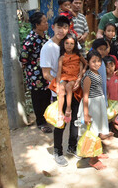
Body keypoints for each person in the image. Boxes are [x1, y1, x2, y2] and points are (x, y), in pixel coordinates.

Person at [40, 16, 76, 167]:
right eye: (59, 27)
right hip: (59, 91)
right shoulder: (48, 48)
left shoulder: (70, 44)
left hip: (74, 90)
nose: (62, 30)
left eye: (65, 27)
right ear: (53, 27)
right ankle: (58, 151)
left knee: (74, 120)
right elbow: (46, 74)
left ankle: (72, 147)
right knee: (60, 122)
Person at [77, 50, 111, 169]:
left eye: (98, 61)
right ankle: (93, 159)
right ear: (88, 62)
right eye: (93, 61)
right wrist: (86, 114)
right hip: (92, 105)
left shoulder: (97, 73)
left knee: (98, 129)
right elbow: (85, 96)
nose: (96, 63)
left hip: (99, 103)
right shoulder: (88, 76)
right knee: (93, 130)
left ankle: (97, 152)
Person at [20, 12, 51, 133]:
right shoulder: (30, 39)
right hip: (35, 75)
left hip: (46, 73)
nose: (47, 23)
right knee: (38, 98)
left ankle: (47, 118)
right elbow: (23, 57)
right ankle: (41, 122)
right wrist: (34, 65)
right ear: (37, 25)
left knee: (47, 96)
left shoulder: (45, 36)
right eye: (44, 22)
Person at [56, 34, 86, 127]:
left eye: (72, 44)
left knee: (69, 87)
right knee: (61, 89)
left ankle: (68, 109)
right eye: (67, 43)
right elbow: (59, 72)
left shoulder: (78, 56)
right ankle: (60, 113)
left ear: (75, 45)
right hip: (64, 77)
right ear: (63, 44)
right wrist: (57, 83)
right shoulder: (62, 57)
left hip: (74, 77)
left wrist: (81, 75)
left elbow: (86, 64)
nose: (69, 45)